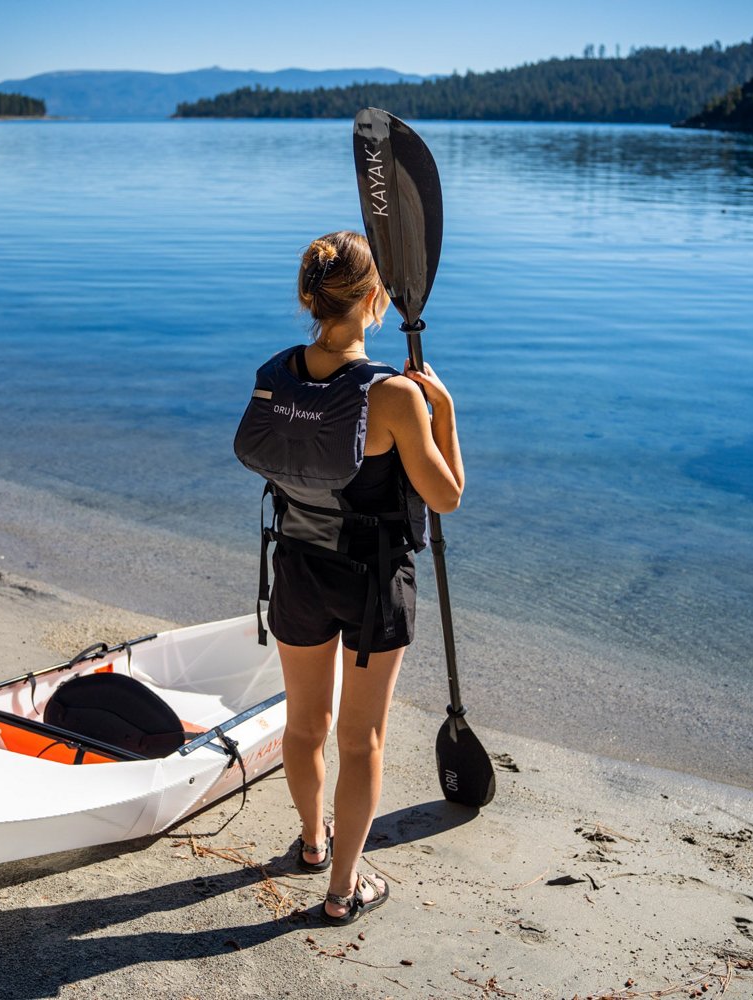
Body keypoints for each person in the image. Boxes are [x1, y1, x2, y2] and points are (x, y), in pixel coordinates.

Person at [234, 230, 464, 925]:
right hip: (371, 585)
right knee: (360, 739)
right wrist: (443, 411)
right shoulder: (394, 395)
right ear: (374, 300)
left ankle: (311, 843)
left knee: (305, 726)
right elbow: (447, 495)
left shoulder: (276, 372)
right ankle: (342, 889)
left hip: (298, 568)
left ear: (311, 296)